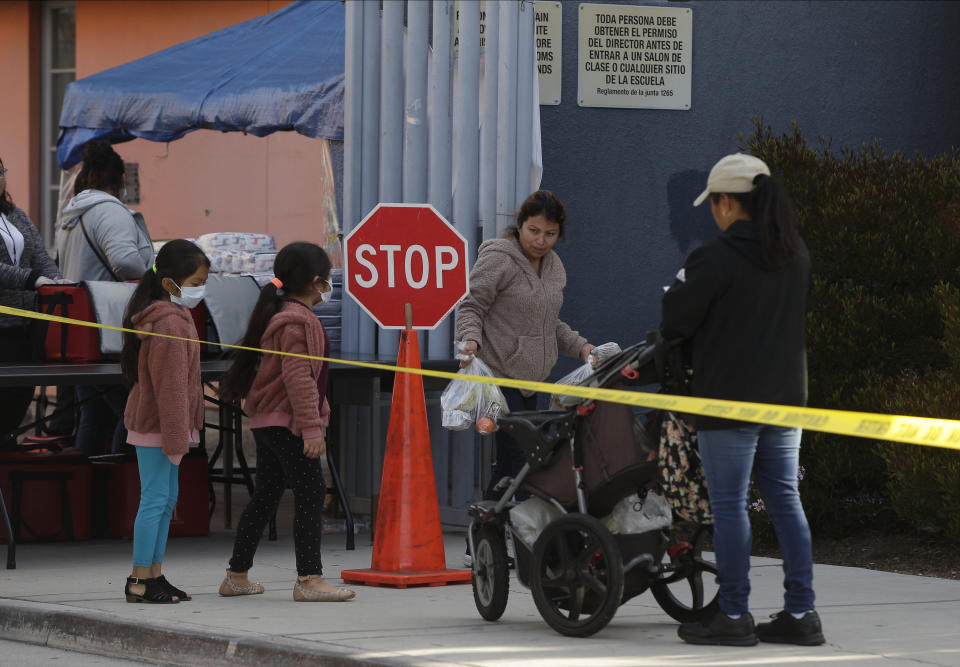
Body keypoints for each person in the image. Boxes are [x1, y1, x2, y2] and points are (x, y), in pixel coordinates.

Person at [661, 153, 822, 646]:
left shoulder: (714, 257)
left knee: (730, 507)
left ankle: (733, 614)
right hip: (787, 400)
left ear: (728, 202)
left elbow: (674, 322)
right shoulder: (796, 256)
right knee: (785, 500)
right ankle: (802, 612)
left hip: (728, 400)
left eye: (713, 204)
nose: (711, 213)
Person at [217, 242, 355, 602]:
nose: (328, 287)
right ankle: (309, 579)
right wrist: (312, 428)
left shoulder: (280, 313)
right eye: (326, 280)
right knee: (310, 495)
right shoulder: (298, 321)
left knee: (265, 497)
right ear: (314, 282)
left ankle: (236, 575)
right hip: (290, 424)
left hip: (269, 423)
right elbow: (299, 378)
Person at [455, 190, 595, 510]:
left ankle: (485, 532)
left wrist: (583, 347)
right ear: (519, 225)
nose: (541, 240)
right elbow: (471, 306)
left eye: (550, 234)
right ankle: (523, 532)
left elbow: (550, 324)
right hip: (501, 376)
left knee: (515, 463)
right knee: (521, 459)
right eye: (534, 230)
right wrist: (471, 340)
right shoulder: (499, 258)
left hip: (535, 381)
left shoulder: (554, 266)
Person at [120, 239, 209, 604]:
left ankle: (155, 574)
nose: (201, 289)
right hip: (159, 425)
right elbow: (171, 387)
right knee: (155, 500)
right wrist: (177, 438)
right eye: (195, 282)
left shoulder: (173, 315)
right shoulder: (169, 323)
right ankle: (139, 580)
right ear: (170, 283)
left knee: (166, 498)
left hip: (166, 425)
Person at [56, 140, 154, 456]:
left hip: (79, 331)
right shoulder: (111, 211)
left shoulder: (71, 214)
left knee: (93, 415)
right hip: (108, 330)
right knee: (130, 412)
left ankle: (92, 498)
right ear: (120, 180)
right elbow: (129, 264)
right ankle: (118, 490)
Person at [0, 155, 69, 447]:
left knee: (19, 397)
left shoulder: (16, 215)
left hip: (26, 323)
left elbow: (40, 257)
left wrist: (56, 281)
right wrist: (31, 280)